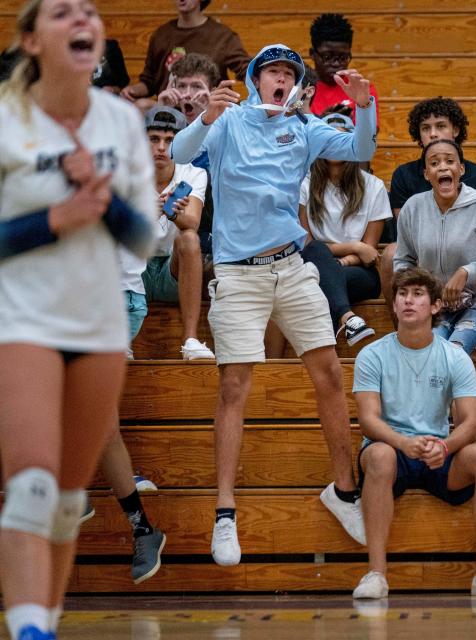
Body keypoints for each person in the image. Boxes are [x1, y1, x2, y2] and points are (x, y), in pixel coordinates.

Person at [170, 43, 377, 566]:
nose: (280, 79)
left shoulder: (303, 128)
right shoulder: (227, 122)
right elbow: (177, 154)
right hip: (239, 274)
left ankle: (344, 491)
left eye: (288, 72)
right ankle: (225, 514)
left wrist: (363, 104)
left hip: (292, 265)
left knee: (330, 373)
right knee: (234, 387)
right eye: (272, 72)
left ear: (296, 83)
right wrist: (205, 118)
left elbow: (359, 146)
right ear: (257, 80)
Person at [0, 0, 157, 637]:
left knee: (66, 503)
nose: (81, 19)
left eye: (88, 11)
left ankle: (45, 620)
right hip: (22, 320)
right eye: (62, 12)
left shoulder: (121, 120)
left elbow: (142, 238)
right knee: (33, 488)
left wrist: (105, 200)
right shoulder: (7, 120)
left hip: (98, 321)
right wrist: (51, 221)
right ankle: (31, 630)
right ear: (32, 41)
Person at [351, 267, 476, 600]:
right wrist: (402, 442)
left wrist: (445, 446)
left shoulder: (454, 356)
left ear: (435, 306)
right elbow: (368, 421)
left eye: (417, 294)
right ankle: (375, 575)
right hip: (392, 449)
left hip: (438, 452)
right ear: (395, 305)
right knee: (381, 455)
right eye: (402, 294)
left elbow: (471, 423)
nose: (408, 300)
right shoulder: (371, 354)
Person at [381, 97, 476, 319]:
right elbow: (405, 236)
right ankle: (404, 325)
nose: (433, 134)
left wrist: (466, 271)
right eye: (426, 128)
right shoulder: (404, 176)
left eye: (440, 126)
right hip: (425, 261)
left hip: (471, 279)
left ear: (455, 129)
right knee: (390, 253)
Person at [394, 139, 476, 356]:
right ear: (426, 174)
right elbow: (402, 261)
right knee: (428, 352)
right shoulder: (412, 208)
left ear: (460, 169)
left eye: (449, 161)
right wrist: (420, 289)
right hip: (435, 305)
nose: (443, 166)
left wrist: (466, 272)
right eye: (434, 163)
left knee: (453, 351)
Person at [298, 112, 390, 346]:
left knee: (319, 279)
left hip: (358, 272)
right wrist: (354, 247)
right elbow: (305, 244)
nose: (334, 145)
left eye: (342, 139)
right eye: (328, 139)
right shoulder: (303, 183)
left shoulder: (373, 186)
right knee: (316, 252)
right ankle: (348, 318)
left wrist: (342, 262)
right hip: (313, 263)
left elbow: (368, 254)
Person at [137, 105, 214, 359]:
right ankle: (119, 340)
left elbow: (191, 222)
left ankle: (190, 339)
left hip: (174, 271)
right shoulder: (128, 172)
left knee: (190, 239)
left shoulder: (194, 173)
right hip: (135, 271)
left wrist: (170, 211)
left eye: (170, 140)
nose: (161, 147)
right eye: (154, 139)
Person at [120, 0, 249, 104]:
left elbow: (246, 70)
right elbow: (149, 81)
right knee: (142, 106)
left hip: (207, 107)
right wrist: (132, 90)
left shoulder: (222, 35)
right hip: (171, 108)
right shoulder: (161, 34)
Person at [308, 13, 380, 125]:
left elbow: (370, 136)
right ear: (312, 54)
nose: (336, 63)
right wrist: (321, 123)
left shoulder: (362, 89)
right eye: (328, 57)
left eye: (343, 58)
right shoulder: (299, 89)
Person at [157, 52, 219, 124]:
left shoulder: (225, 122)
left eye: (197, 86)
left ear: (212, 92)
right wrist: (163, 112)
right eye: (182, 86)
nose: (187, 94)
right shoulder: (171, 118)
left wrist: (208, 119)